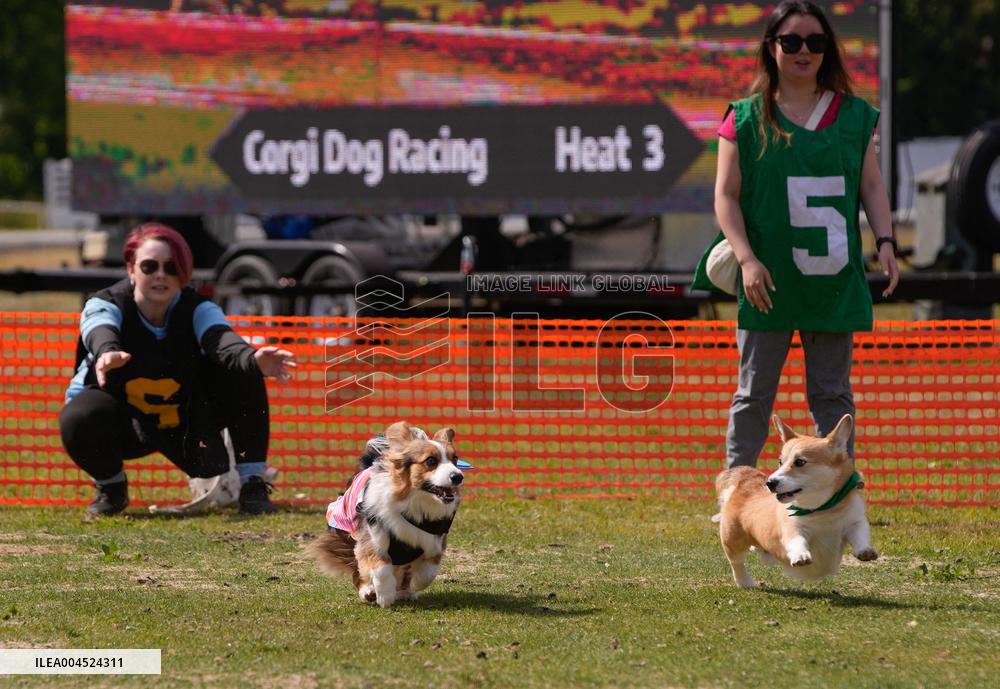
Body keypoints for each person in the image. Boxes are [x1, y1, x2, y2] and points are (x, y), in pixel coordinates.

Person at [692, 0, 899, 468]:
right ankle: (736, 494)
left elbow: (871, 185)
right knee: (753, 396)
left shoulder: (854, 116)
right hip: (768, 281)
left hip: (832, 281)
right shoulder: (744, 118)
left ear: (829, 50)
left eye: (816, 41)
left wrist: (886, 242)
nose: (804, 51)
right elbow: (725, 195)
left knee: (832, 395)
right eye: (791, 41)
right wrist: (746, 259)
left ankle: (837, 493)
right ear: (771, 47)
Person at [59, 223, 296, 517]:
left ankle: (252, 485)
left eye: (172, 267)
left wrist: (253, 359)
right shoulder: (105, 303)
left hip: (186, 423)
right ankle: (111, 488)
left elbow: (222, 340)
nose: (161, 275)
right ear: (131, 269)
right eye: (149, 266)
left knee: (242, 371)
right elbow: (98, 329)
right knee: (78, 417)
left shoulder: (198, 307)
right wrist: (107, 352)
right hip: (126, 424)